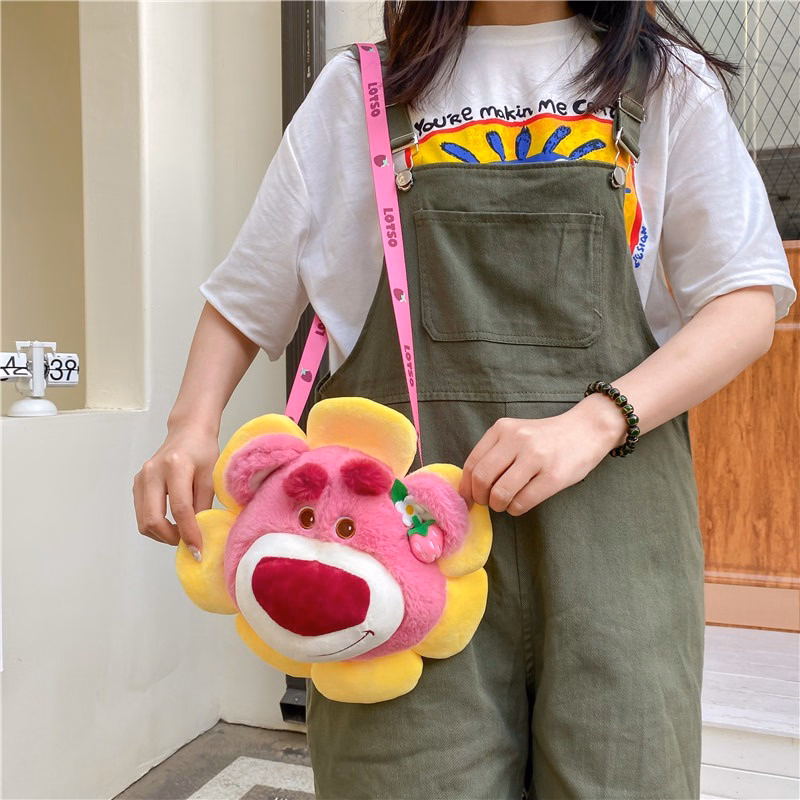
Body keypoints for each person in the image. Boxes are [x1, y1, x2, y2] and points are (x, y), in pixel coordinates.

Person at [133, 1, 797, 798]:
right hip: (397, 546)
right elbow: (248, 295)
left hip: (617, 548)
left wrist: (596, 420)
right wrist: (190, 425)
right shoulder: (361, 89)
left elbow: (745, 301)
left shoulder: (664, 83)